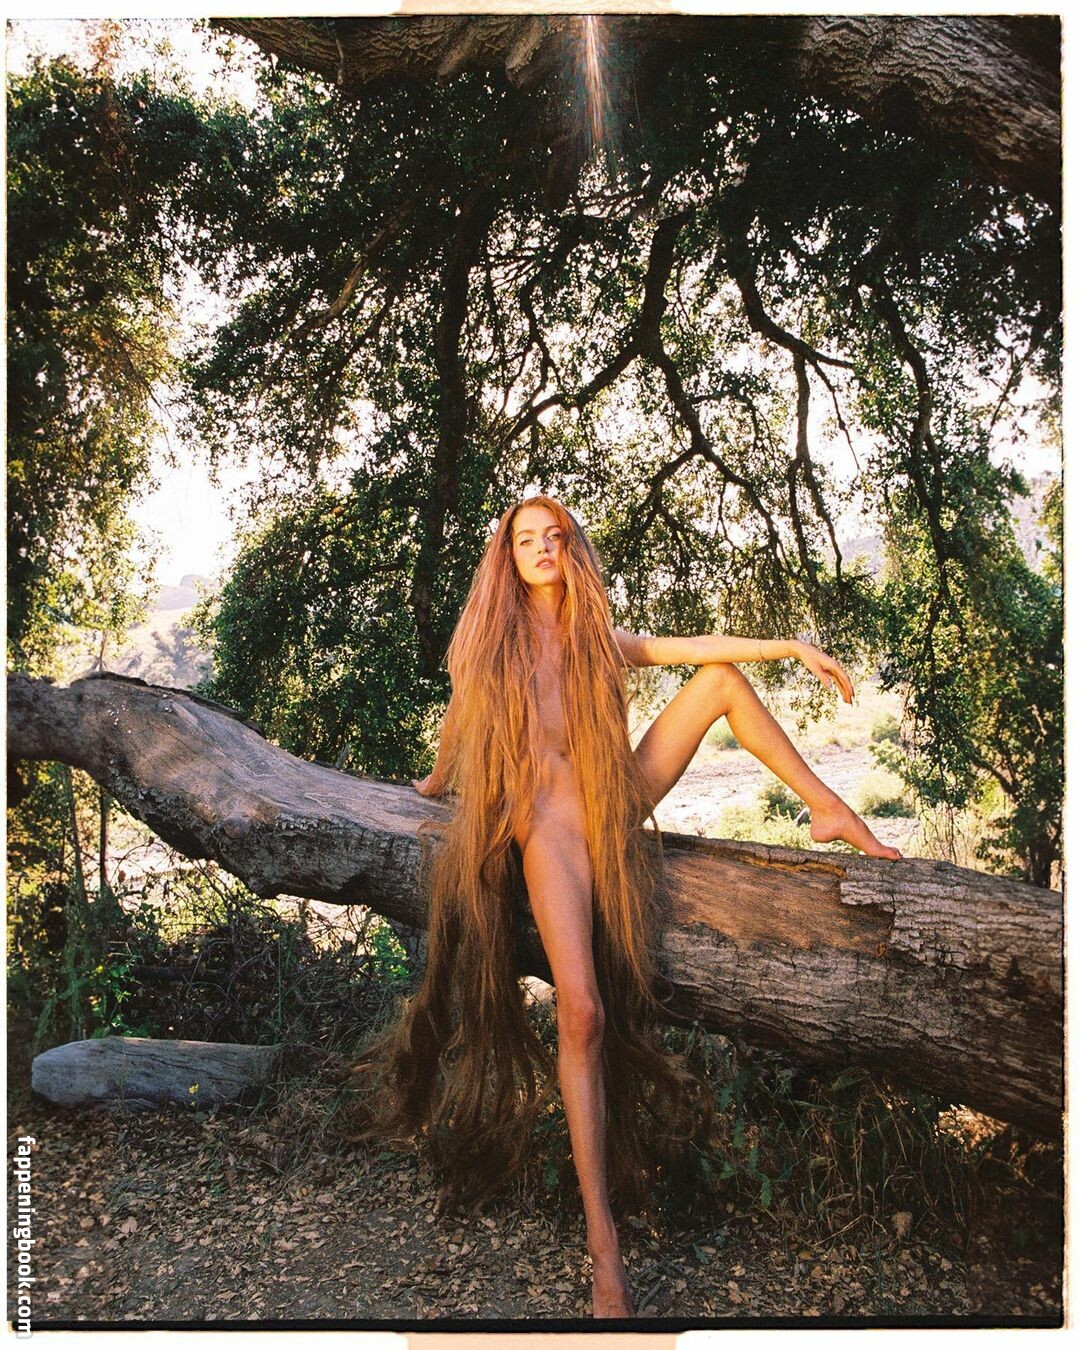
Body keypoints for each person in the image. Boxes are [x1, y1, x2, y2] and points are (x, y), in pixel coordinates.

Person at [350, 494, 901, 1319]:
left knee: (720, 681)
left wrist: (792, 645)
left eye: (554, 537)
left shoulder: (599, 639)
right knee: (583, 1014)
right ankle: (602, 1243)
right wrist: (431, 785)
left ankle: (828, 808)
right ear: (509, 558)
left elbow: (697, 648)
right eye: (526, 541)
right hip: (548, 830)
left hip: (614, 801)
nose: (542, 549)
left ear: (572, 549)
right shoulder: (490, 645)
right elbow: (458, 724)